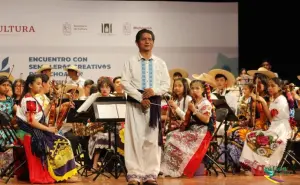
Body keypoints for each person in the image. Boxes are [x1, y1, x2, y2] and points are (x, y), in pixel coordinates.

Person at [121, 29, 170, 185]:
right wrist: (139, 96)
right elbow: (124, 82)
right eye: (143, 39)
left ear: (153, 42)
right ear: (137, 43)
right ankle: (134, 174)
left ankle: (150, 174)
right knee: (134, 138)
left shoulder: (160, 63)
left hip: (154, 103)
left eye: (150, 39)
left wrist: (154, 91)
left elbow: (166, 84)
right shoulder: (130, 61)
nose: (147, 41)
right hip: (135, 104)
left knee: (151, 139)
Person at [15, 74, 78, 183]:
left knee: (62, 141)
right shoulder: (29, 100)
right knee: (61, 142)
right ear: (30, 85)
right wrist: (48, 129)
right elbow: (32, 121)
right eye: (38, 84)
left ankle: (64, 173)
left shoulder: (31, 97)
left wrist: (51, 103)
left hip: (31, 131)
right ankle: (61, 174)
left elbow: (40, 116)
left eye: (41, 84)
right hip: (28, 133)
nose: (41, 86)